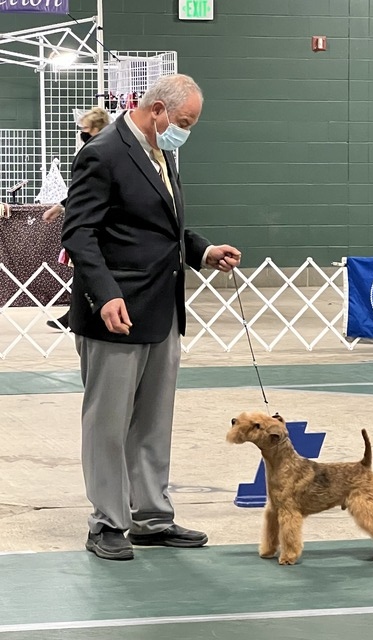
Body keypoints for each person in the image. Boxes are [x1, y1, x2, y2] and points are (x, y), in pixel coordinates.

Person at [61, 74, 242, 561]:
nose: (185, 131)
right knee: (108, 422)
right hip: (115, 312)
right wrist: (104, 295)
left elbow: (163, 228)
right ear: (158, 109)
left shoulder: (161, 152)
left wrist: (203, 251)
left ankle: (151, 518)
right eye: (183, 122)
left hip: (163, 310)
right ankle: (107, 522)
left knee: (153, 421)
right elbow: (78, 233)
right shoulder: (102, 152)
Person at [43, 107, 111, 329]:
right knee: (83, 272)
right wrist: (61, 207)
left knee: (88, 269)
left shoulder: (98, 154)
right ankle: (74, 315)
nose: (81, 133)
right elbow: (83, 190)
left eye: (84, 129)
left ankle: (78, 316)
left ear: (96, 128)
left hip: (98, 226)